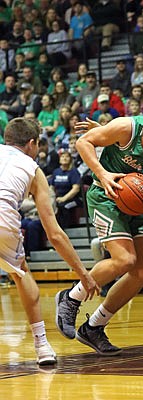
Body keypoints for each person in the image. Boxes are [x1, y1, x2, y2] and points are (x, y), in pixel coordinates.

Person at [55, 92, 143, 354]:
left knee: (142, 273)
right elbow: (84, 142)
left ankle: (94, 326)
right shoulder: (128, 127)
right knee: (124, 261)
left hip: (137, 206)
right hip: (106, 196)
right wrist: (103, 173)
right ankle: (71, 298)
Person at [0, 117, 98, 365]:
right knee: (22, 274)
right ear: (32, 144)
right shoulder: (34, 170)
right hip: (3, 218)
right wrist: (83, 274)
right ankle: (42, 346)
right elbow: (54, 234)